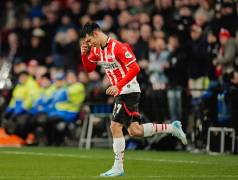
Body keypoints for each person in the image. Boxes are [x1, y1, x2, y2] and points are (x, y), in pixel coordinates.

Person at [80, 22, 187, 177]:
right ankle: (172, 128)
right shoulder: (97, 50)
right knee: (134, 130)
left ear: (96, 34)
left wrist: (118, 85)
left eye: (89, 40)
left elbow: (135, 68)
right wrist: (84, 54)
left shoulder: (117, 47)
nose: (89, 44)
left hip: (128, 90)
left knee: (115, 126)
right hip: (122, 91)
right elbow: (89, 69)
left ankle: (118, 167)